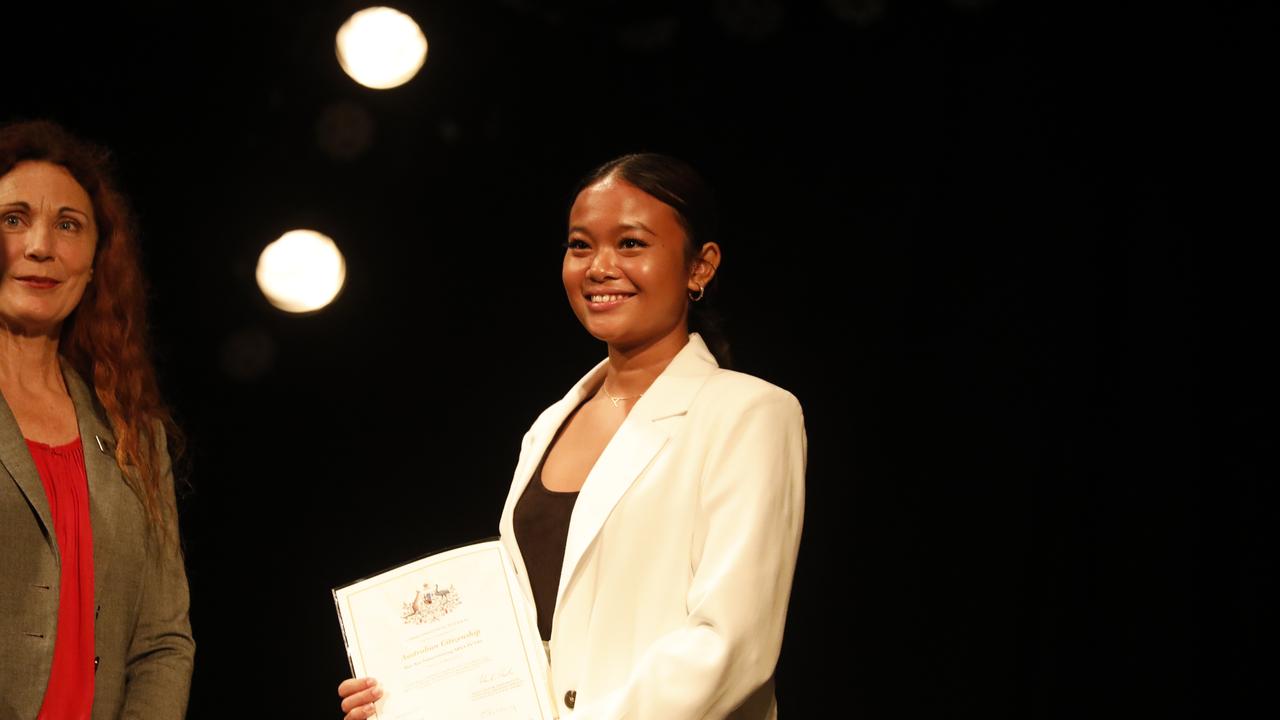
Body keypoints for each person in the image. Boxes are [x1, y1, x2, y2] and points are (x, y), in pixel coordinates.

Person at [339, 153, 805, 719]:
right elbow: (528, 643)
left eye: (631, 244)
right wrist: (411, 697)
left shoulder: (749, 412)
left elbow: (731, 644)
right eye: (580, 245)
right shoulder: (547, 426)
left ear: (699, 266)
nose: (600, 267)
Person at [0, 119, 194, 719]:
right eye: (13, 218)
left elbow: (162, 642)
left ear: (94, 262)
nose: (40, 246)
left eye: (68, 225)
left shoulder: (134, 432)